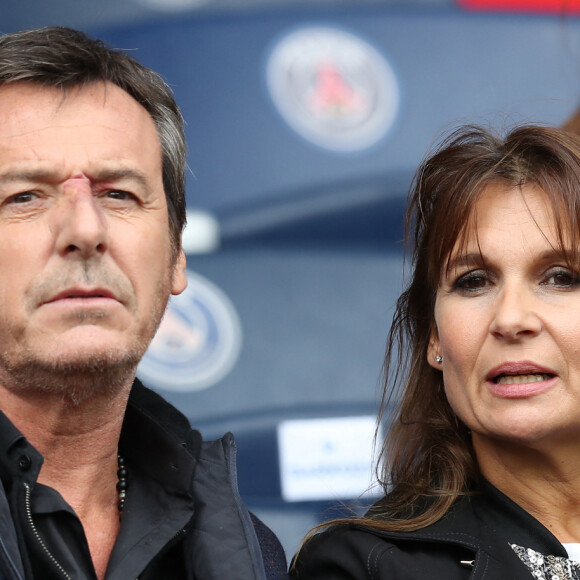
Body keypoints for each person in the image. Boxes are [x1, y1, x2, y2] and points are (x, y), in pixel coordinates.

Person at [0, 26, 287, 580]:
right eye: (25, 196)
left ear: (176, 255)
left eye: (118, 194)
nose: (86, 228)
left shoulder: (248, 550)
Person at [291, 123, 580, 579]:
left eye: (561, 276)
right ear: (435, 338)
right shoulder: (362, 568)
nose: (510, 319)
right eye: (474, 281)